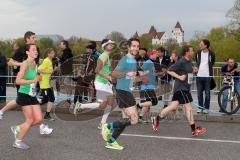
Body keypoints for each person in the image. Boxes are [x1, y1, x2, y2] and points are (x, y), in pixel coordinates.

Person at [0, 32, 53, 135]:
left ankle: (2, 112)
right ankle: (36, 127)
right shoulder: (22, 50)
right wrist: (23, 64)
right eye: (33, 38)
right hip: (24, 80)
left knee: (20, 101)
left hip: (32, 80)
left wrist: (40, 62)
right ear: (27, 39)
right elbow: (10, 62)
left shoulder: (35, 49)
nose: (35, 39)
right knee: (30, 102)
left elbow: (36, 62)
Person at [152, 45, 207, 136]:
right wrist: (179, 77)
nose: (193, 52)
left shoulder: (189, 62)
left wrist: (193, 70)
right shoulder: (181, 61)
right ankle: (194, 130)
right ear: (187, 52)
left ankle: (156, 119)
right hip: (181, 88)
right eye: (192, 51)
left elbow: (186, 72)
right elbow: (169, 70)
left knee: (173, 106)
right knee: (189, 108)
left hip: (184, 88)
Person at [101, 38, 144, 150]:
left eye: (137, 46)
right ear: (129, 47)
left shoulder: (133, 61)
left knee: (125, 119)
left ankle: (111, 141)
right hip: (123, 92)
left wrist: (138, 78)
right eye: (133, 46)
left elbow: (130, 78)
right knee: (134, 120)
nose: (136, 48)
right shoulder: (125, 59)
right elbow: (114, 73)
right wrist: (127, 73)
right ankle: (108, 126)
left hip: (126, 91)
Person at [74, 39, 116, 130]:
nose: (112, 46)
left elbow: (107, 70)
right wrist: (108, 77)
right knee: (103, 104)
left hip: (106, 83)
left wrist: (111, 75)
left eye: (112, 44)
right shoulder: (103, 56)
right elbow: (97, 71)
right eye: (109, 44)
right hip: (101, 82)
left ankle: (102, 123)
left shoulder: (107, 56)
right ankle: (81, 106)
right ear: (105, 46)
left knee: (110, 103)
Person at [11, 44, 43, 149]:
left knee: (38, 119)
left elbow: (34, 79)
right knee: (29, 121)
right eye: (33, 49)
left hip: (32, 95)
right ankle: (18, 142)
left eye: (36, 50)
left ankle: (18, 128)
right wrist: (33, 80)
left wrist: (38, 78)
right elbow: (18, 81)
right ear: (27, 52)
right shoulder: (25, 64)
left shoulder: (35, 63)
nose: (36, 51)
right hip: (24, 95)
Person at [137, 50, 158, 123]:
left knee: (147, 102)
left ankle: (140, 117)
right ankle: (138, 105)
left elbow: (149, 73)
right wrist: (144, 80)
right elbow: (140, 69)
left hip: (150, 86)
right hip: (147, 86)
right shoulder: (148, 62)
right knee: (154, 102)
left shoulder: (151, 63)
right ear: (151, 55)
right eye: (156, 54)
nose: (157, 56)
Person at [195, 39, 215, 114]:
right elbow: (197, 61)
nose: (200, 45)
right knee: (199, 93)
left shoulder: (211, 53)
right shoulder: (198, 53)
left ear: (206, 45)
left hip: (208, 76)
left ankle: (206, 108)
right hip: (199, 76)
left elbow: (212, 62)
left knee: (207, 93)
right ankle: (200, 107)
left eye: (201, 44)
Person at [38, 48, 57, 120]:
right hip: (44, 83)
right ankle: (32, 105)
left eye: (53, 53)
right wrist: (49, 72)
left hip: (48, 83)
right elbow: (39, 69)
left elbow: (49, 71)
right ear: (48, 54)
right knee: (45, 99)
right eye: (52, 53)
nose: (53, 54)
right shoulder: (46, 61)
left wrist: (53, 70)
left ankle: (47, 115)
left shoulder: (49, 61)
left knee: (52, 98)